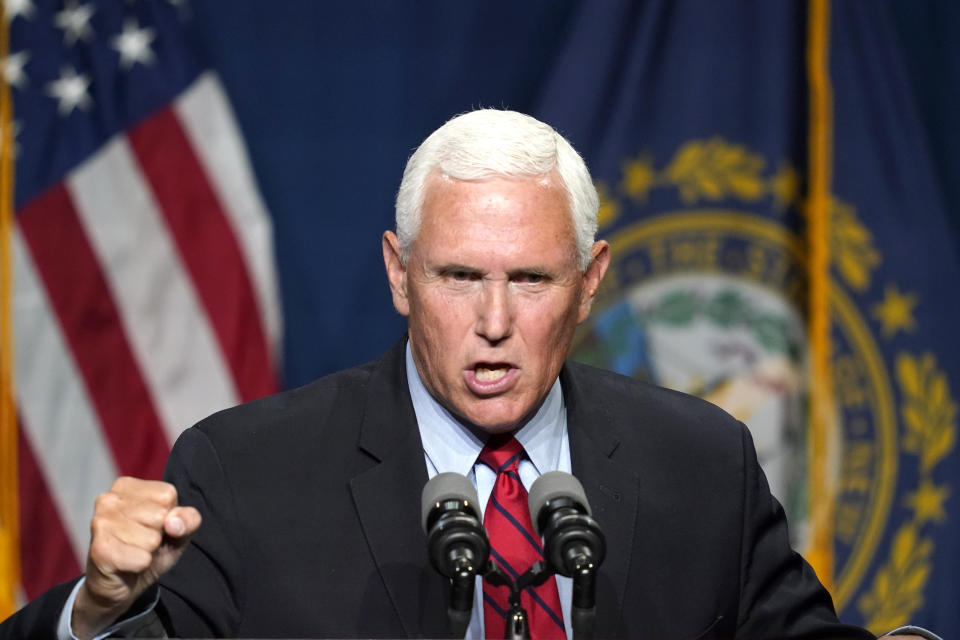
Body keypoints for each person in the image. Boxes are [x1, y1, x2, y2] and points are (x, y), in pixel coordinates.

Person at [0, 110, 935, 640]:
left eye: (531, 280)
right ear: (399, 276)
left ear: (590, 281)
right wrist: (97, 613)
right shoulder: (249, 474)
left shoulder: (701, 463)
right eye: (458, 277)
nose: (494, 324)